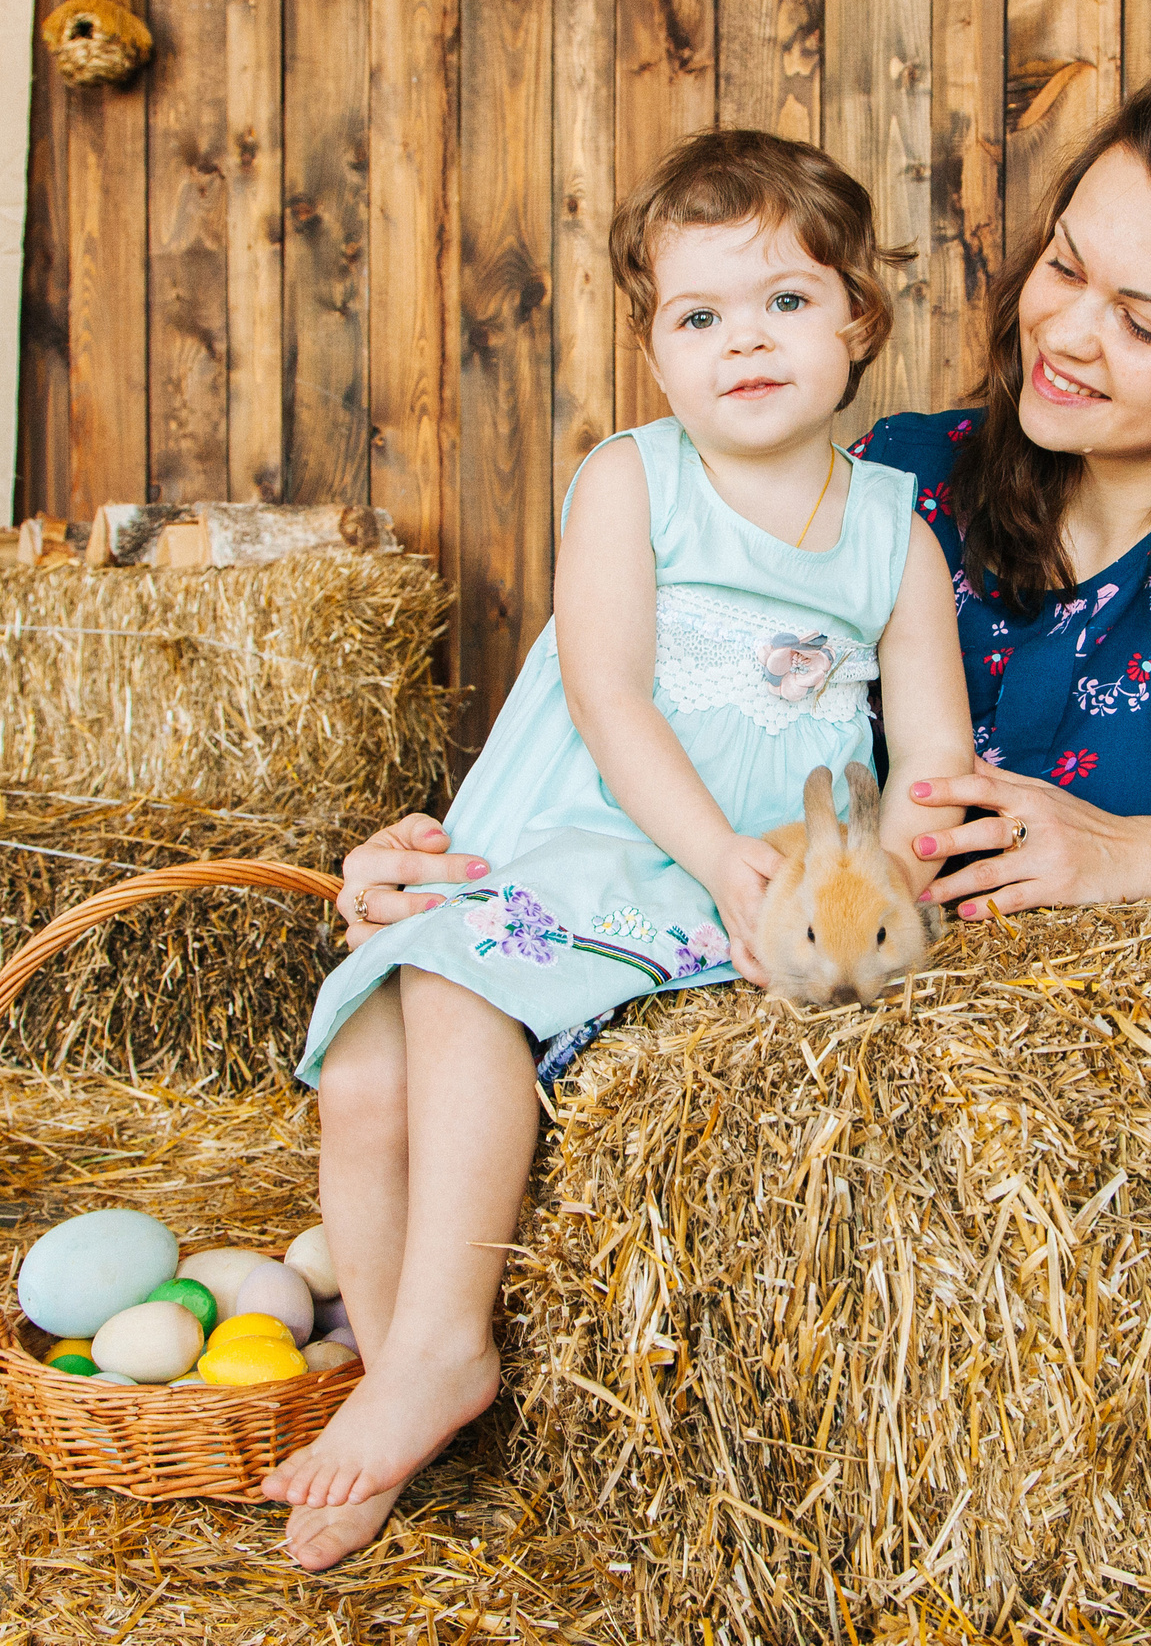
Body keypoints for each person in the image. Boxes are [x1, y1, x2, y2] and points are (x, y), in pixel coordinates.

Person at [339, 57, 1151, 958]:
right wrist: (466, 868)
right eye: (1065, 267)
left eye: (1143, 322)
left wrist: (1144, 857)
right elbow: (662, 713)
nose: (1068, 335)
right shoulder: (898, 486)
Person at [262, 130, 976, 1570]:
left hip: (751, 864)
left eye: (783, 300)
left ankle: (437, 1351)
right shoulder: (631, 480)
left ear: (859, 324)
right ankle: (408, 1360)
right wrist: (714, 853)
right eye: (698, 317)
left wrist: (855, 897)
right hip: (593, 826)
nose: (743, 341)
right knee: (367, 1070)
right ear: (657, 355)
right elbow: (607, 692)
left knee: (461, 982)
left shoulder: (897, 535)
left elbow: (937, 764)